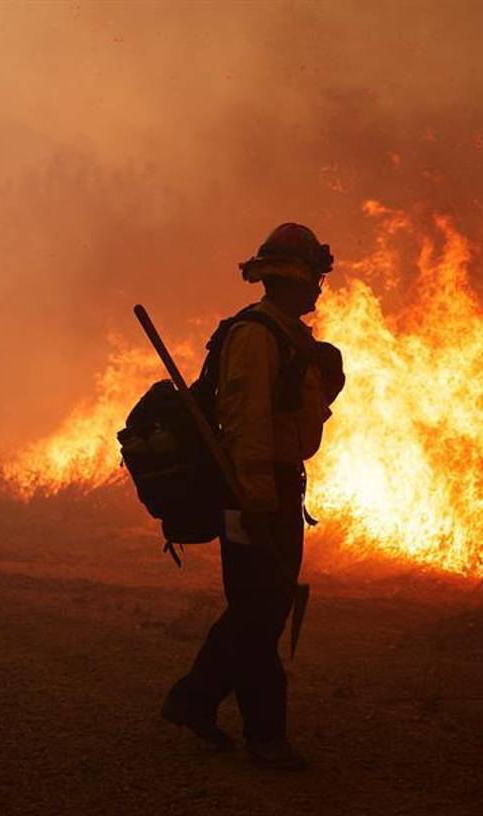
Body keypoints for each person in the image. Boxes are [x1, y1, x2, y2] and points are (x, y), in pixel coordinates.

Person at [161, 223, 345, 771]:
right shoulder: (256, 337)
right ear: (292, 279)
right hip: (252, 491)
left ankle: (193, 701)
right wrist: (258, 501)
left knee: (258, 607)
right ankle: (265, 736)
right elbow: (247, 425)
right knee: (261, 612)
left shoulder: (289, 337)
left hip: (278, 487)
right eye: (314, 277)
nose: (319, 289)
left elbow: (288, 414)